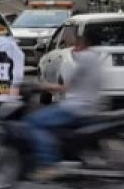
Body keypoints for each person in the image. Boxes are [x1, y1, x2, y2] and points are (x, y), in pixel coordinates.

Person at [27, 28, 105, 180]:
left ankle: (49, 165)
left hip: (76, 107)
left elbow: (65, 86)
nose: (72, 44)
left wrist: (42, 86)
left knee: (35, 122)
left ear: (84, 42)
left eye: (76, 41)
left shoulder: (84, 58)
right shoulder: (96, 58)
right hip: (91, 105)